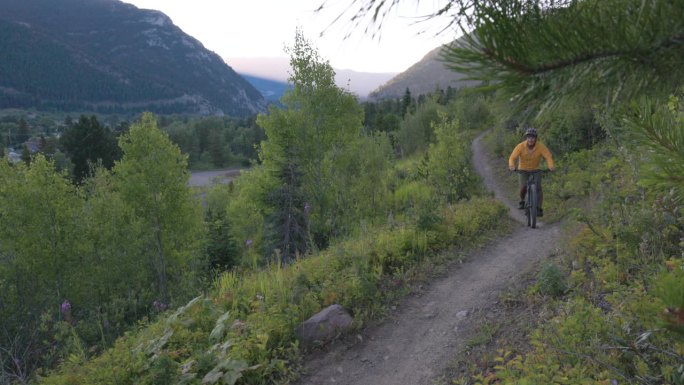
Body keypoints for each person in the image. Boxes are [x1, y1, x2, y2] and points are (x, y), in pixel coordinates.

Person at [508, 127, 555, 216]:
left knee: (538, 188)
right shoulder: (520, 146)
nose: (530, 139)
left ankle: (539, 208)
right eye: (529, 137)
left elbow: (548, 157)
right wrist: (512, 166)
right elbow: (512, 157)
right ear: (526, 138)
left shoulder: (541, 146)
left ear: (536, 138)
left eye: (533, 137)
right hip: (522, 170)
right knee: (523, 187)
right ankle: (522, 201)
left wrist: (551, 166)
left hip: (535, 170)